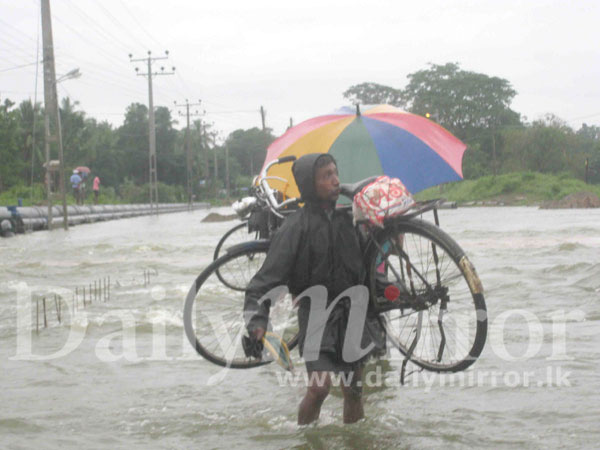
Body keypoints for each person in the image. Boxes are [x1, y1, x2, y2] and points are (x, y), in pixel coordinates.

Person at [244, 153, 384, 425]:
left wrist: (390, 294)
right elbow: (263, 282)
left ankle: (355, 442)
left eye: (335, 172)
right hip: (316, 314)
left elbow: (368, 270)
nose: (335, 180)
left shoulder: (349, 219)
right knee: (319, 388)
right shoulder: (295, 227)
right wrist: (257, 320)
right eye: (326, 176)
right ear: (310, 184)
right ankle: (305, 440)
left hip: (352, 314)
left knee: (353, 390)